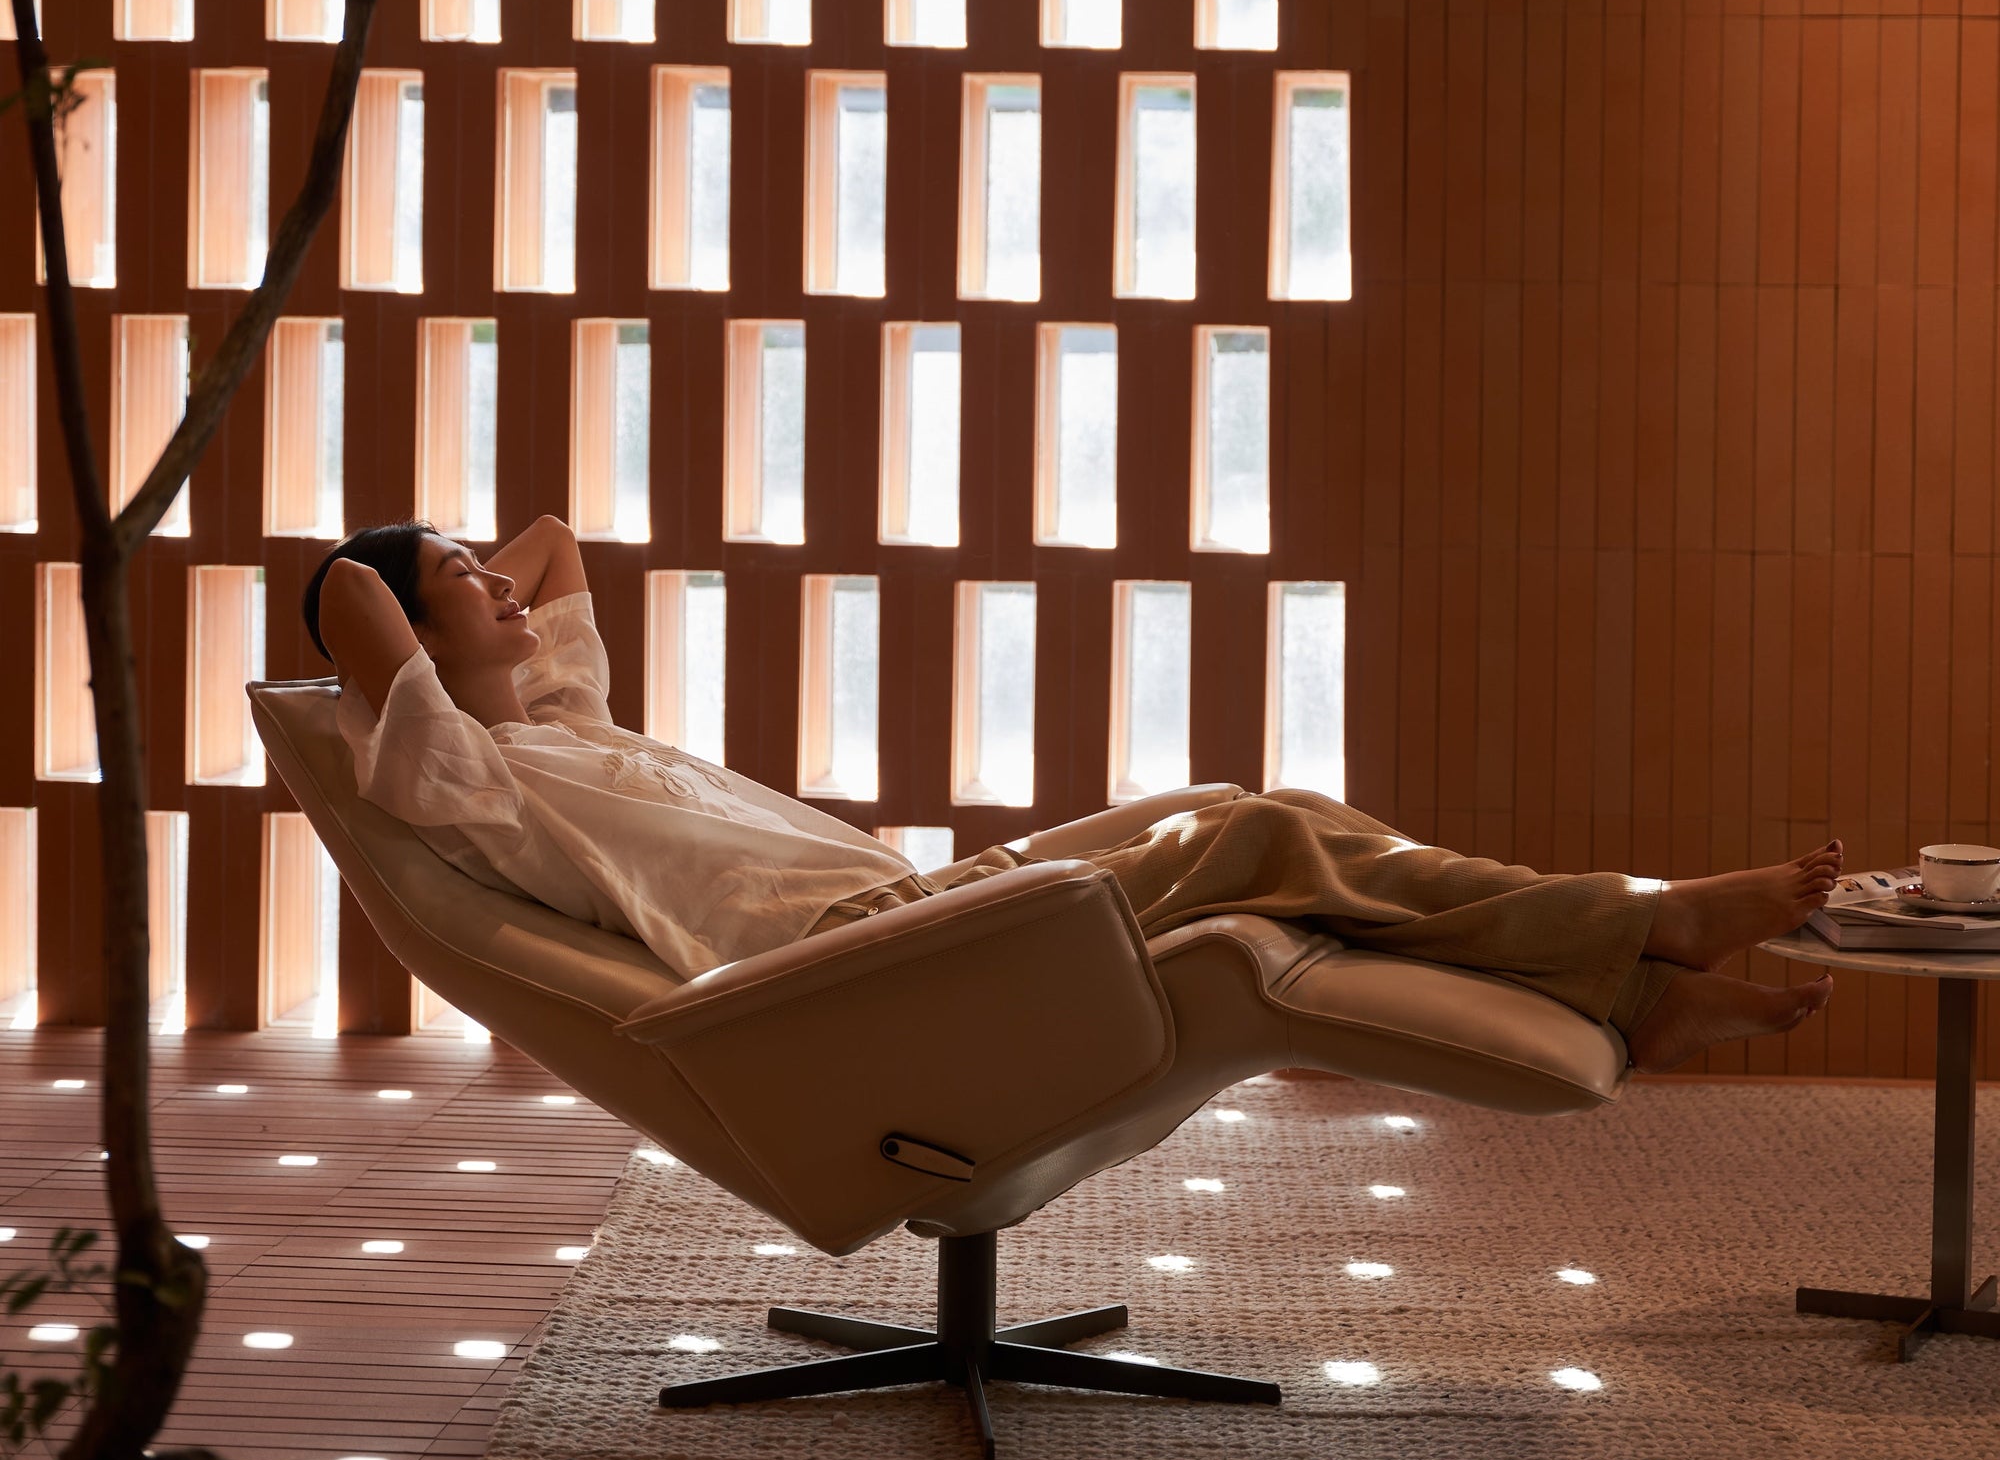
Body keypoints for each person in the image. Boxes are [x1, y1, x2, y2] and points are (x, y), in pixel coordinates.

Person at [307, 515, 1840, 1075]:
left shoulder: (561, 715)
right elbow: (337, 600)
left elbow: (557, 535)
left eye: (478, 575)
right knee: (1253, 842)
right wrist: (404, 586)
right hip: (848, 949)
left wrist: (469, 582)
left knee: (1258, 797)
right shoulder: (463, 780)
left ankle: (1635, 994)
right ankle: (1651, 924)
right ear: (415, 650)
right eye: (461, 587)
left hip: (915, 899)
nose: (503, 589)